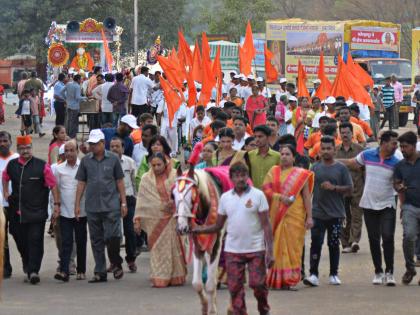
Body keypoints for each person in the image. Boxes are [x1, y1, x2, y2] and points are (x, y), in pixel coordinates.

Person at [193, 162, 273, 315]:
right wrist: (199, 229)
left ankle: (264, 309)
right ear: (231, 179)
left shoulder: (258, 195)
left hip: (255, 249)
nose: (240, 179)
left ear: (247, 176)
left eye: (243, 175)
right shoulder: (225, 198)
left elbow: (266, 225)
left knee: (258, 285)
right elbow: (218, 226)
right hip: (232, 251)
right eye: (236, 176)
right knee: (235, 289)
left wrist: (270, 251)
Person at [339, 130, 400, 286]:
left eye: (397, 143)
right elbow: (352, 163)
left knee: (387, 237)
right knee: (374, 239)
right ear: (383, 143)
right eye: (393, 143)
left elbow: (400, 181)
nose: (396, 146)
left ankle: (390, 272)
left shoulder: (397, 161)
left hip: (387, 204)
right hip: (369, 203)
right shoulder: (367, 155)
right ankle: (378, 271)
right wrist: (332, 160)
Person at [2, 135, 59, 284]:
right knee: (19, 239)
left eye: (28, 148)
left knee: (35, 240)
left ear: (31, 148)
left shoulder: (42, 166)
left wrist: (57, 204)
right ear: (18, 149)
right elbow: (5, 177)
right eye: (22, 148)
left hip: (36, 211)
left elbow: (53, 185)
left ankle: (34, 270)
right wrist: (6, 192)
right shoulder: (12, 165)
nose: (25, 151)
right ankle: (26, 262)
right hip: (16, 211)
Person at [75, 129, 127, 283]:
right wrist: (77, 204)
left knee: (113, 237)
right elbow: (81, 183)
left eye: (95, 144)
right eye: (90, 144)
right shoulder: (85, 161)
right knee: (96, 239)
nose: (92, 146)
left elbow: (120, 181)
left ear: (103, 143)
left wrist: (123, 202)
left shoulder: (113, 159)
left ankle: (116, 261)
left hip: (111, 205)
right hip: (92, 206)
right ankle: (100, 271)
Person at [262, 145, 314, 290]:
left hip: (295, 216)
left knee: (294, 248)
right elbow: (266, 190)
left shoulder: (301, 174)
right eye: (282, 154)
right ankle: (275, 279)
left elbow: (306, 197)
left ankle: (290, 280)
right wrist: (280, 197)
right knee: (275, 246)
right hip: (276, 215)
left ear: (294, 157)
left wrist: (309, 217)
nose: (284, 156)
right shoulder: (273, 171)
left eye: (287, 154)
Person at [304, 136, 353, 287]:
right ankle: (313, 274)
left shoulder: (341, 168)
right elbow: (308, 192)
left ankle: (333, 274)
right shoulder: (315, 168)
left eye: (328, 148)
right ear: (319, 150)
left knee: (333, 244)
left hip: (336, 214)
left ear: (334, 149)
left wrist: (334, 188)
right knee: (316, 244)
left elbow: (350, 189)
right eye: (323, 149)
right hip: (318, 213)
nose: (325, 151)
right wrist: (308, 214)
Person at [134, 152, 187, 287]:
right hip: (155, 219)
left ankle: (176, 276)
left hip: (174, 218)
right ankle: (159, 276)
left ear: (166, 163)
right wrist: (138, 219)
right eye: (153, 165)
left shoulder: (175, 175)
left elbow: (184, 194)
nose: (156, 168)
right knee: (158, 249)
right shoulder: (146, 179)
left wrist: (173, 202)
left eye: (159, 165)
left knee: (174, 247)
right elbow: (142, 201)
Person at [53, 140, 87, 282]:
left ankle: (81, 270)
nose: (69, 153)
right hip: (65, 211)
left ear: (77, 151)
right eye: (66, 151)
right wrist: (56, 207)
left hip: (82, 211)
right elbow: (55, 190)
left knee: (81, 241)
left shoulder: (84, 167)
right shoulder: (59, 169)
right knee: (66, 241)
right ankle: (64, 271)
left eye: (71, 150)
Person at [393, 131, 420, 285]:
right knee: (409, 236)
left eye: (405, 147)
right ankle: (410, 268)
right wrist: (399, 187)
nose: (402, 150)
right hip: (410, 205)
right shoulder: (400, 166)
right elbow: (396, 183)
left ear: (414, 146)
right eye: (401, 147)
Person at [108, 137, 138, 273]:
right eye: (112, 146)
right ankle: (114, 261)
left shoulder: (130, 162)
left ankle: (131, 259)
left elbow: (135, 181)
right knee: (112, 233)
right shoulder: (105, 163)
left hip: (129, 198)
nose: (114, 149)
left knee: (129, 231)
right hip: (111, 200)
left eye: (117, 146)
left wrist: (137, 199)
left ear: (123, 148)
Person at [336, 122, 365, 253]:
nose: (345, 135)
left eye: (347, 132)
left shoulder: (359, 150)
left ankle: (354, 241)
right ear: (339, 134)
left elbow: (365, 170)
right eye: (342, 132)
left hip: (357, 188)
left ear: (352, 134)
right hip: (340, 189)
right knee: (343, 217)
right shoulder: (335, 150)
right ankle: (345, 243)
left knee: (357, 215)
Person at [0, 131, 19, 278]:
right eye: (0, 141)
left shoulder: (17, 159)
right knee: (2, 238)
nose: (2, 144)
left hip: (15, 203)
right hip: (0, 205)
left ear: (10, 142)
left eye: (5, 141)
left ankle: (28, 262)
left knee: (19, 234)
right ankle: (6, 267)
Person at [65, 74, 87, 139]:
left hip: (68, 105)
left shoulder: (68, 84)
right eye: (81, 79)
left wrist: (66, 98)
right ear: (78, 80)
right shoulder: (77, 86)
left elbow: (61, 91)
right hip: (75, 106)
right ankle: (72, 136)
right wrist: (85, 97)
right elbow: (77, 97)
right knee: (73, 121)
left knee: (69, 120)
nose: (81, 80)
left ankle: (68, 134)